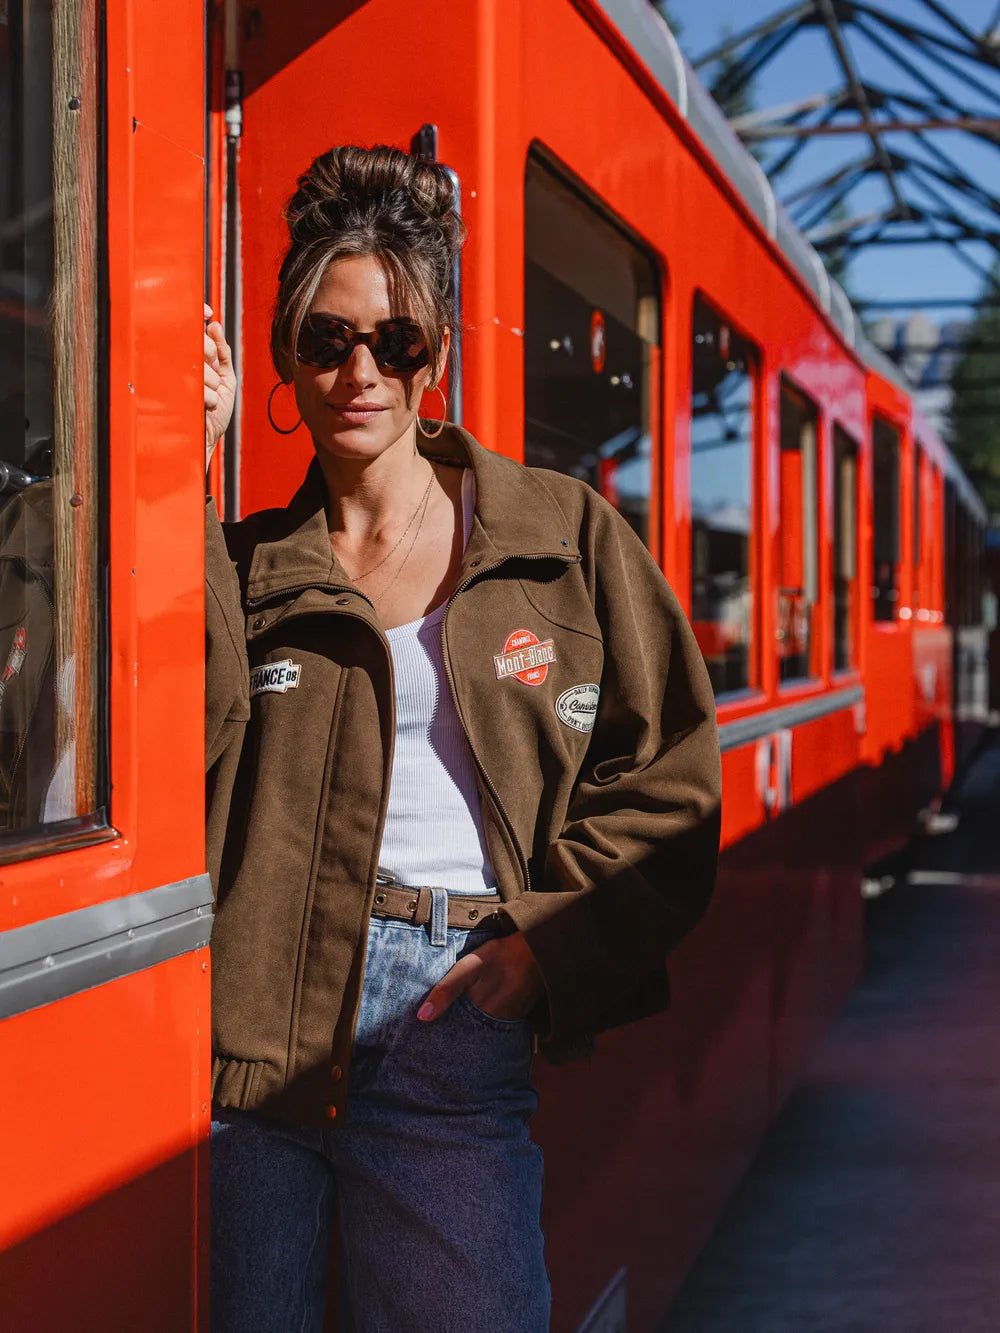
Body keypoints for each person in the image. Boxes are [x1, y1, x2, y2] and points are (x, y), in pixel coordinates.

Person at [202, 144, 721, 1333]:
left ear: (436, 352)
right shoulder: (238, 563)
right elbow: (175, 746)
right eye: (328, 340)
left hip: (448, 1015)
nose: (361, 373)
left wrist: (544, 948)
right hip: (252, 1035)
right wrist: (177, 471)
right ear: (286, 352)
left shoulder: (561, 538)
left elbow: (671, 780)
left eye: (397, 342)